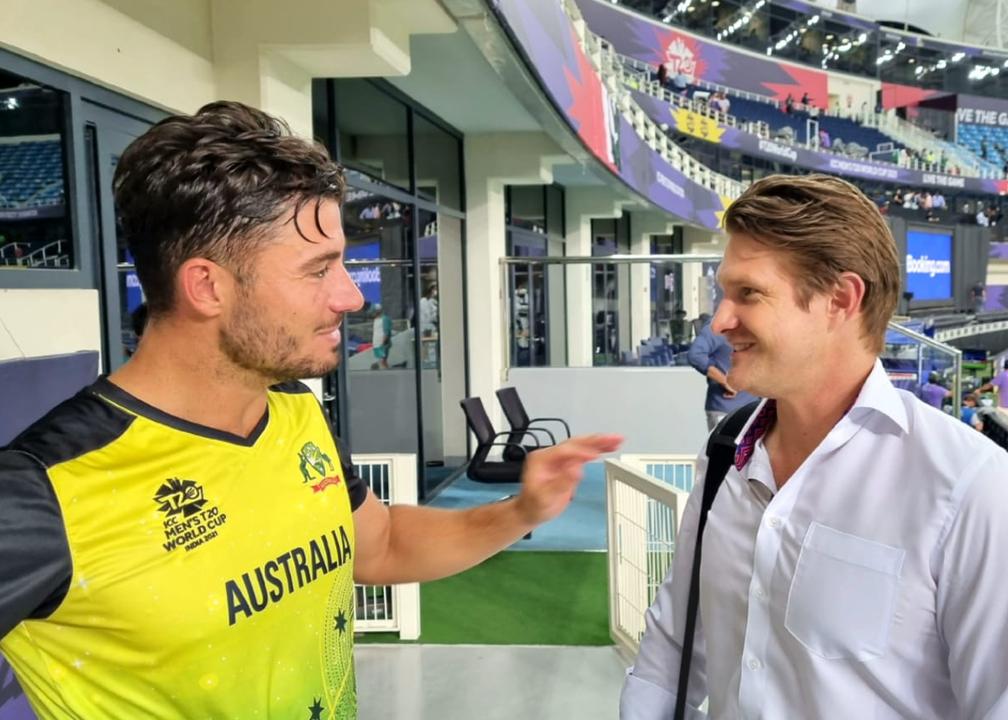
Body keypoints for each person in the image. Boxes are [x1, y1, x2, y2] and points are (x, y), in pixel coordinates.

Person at [0, 101, 622, 720]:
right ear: (207, 286)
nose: (350, 295)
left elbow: (378, 544)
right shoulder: (44, 492)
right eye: (318, 269)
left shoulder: (295, 411)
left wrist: (521, 511)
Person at [621, 174, 1008, 719]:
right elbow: (672, 649)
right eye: (725, 292)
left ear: (840, 299)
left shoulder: (978, 494)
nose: (721, 320)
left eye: (749, 293)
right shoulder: (726, 452)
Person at [688, 314, 758, 431]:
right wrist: (725, 382)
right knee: (724, 449)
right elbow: (695, 356)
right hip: (726, 408)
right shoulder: (719, 326)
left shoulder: (757, 324)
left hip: (754, 408)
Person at [981, 358, 1008, 426]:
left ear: (1004, 367)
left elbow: (990, 385)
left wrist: (980, 390)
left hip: (1004, 406)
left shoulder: (1002, 375)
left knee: (1002, 424)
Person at [370, 302, 392, 369]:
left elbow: (386, 332)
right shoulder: (375, 319)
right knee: (381, 361)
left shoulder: (385, 319)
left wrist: (382, 343)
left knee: (383, 361)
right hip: (376, 344)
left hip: (382, 344)